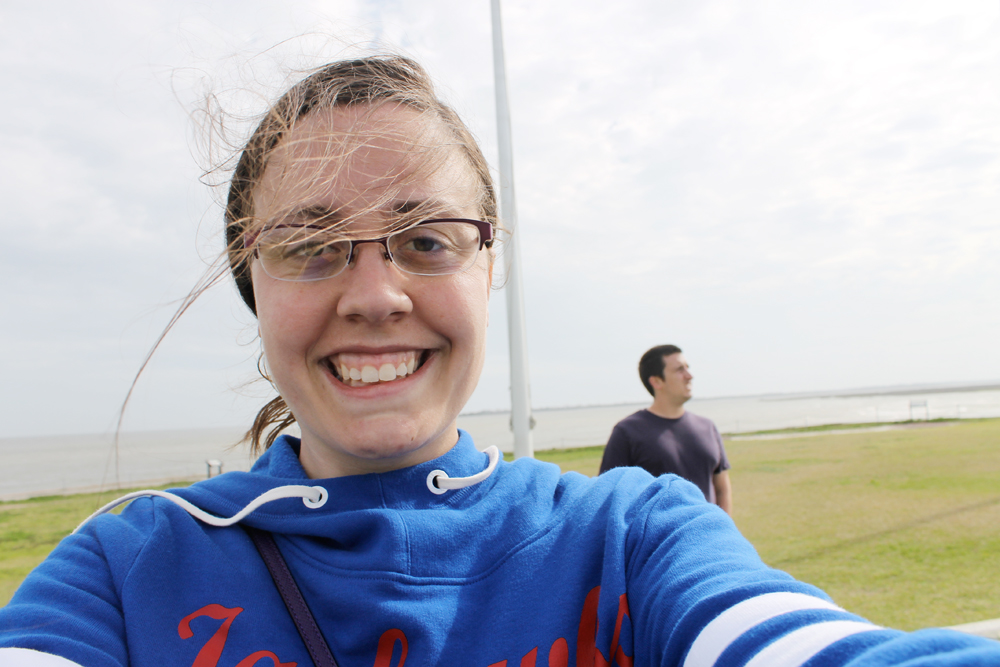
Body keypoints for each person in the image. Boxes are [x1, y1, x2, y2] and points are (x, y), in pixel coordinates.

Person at [2, 56, 998, 667]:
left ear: (489, 267)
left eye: (426, 238)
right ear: (253, 283)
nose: (375, 293)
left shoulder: (628, 537)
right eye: (309, 243)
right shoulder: (128, 566)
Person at [600, 345, 732, 514]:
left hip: (709, 537)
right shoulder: (627, 432)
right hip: (657, 540)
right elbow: (608, 497)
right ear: (656, 381)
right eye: (679, 370)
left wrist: (725, 533)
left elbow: (722, 489)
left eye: (688, 368)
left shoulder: (708, 427)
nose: (689, 376)